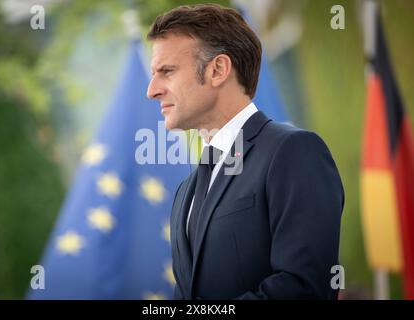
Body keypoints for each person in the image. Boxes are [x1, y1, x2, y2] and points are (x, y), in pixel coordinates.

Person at [146, 4, 344, 300]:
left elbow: (306, 287)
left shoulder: (293, 151)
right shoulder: (185, 193)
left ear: (218, 70)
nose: (152, 90)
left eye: (167, 71)